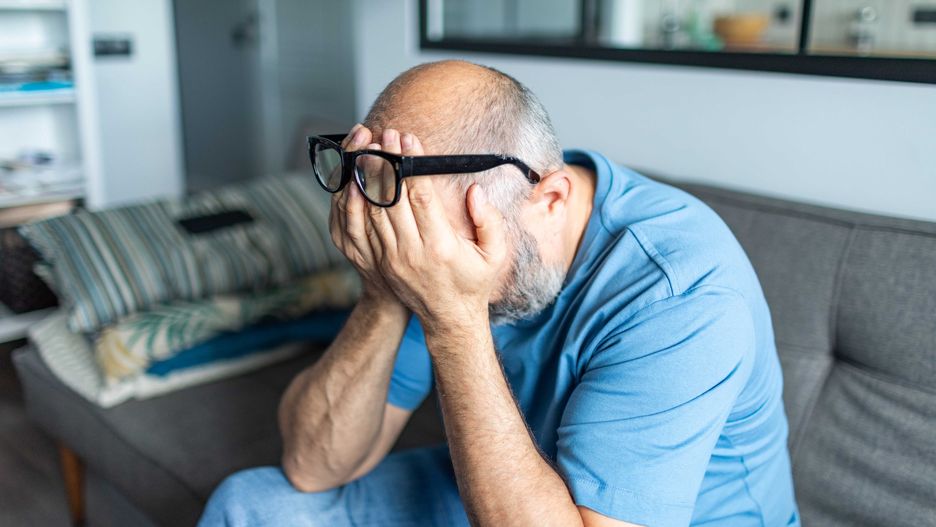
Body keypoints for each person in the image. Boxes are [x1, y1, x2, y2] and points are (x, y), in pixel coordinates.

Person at [199, 60, 799, 527]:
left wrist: (452, 317)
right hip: (512, 481)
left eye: (442, 255)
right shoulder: (433, 240)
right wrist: (383, 289)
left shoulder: (681, 293)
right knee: (250, 505)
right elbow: (313, 466)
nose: (421, 263)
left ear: (551, 200)